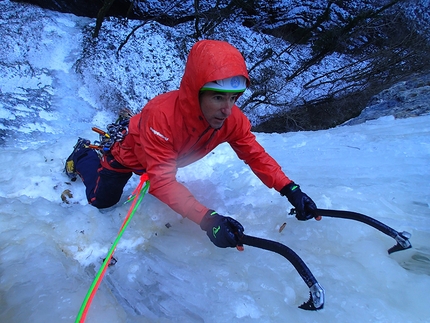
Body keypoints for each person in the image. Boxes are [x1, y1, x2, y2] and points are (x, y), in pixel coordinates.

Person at [65, 39, 319, 249]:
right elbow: (162, 181)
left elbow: (255, 155)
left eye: (234, 98)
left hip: (159, 157)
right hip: (129, 154)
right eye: (218, 97)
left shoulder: (231, 120)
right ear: (195, 92)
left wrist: (290, 189)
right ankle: (83, 155)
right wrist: (208, 220)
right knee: (101, 202)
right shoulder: (162, 117)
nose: (227, 110)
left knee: (155, 176)